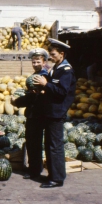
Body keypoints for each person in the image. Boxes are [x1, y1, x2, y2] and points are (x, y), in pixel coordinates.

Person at [33, 38, 76, 188]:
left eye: (53, 54)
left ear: (61, 54)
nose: (50, 57)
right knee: (50, 144)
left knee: (55, 146)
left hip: (56, 113)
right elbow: (53, 90)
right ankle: (53, 175)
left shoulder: (65, 70)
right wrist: (43, 90)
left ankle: (57, 179)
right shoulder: (57, 68)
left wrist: (46, 84)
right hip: (51, 112)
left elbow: (62, 92)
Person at [11, 48, 48, 180]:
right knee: (33, 142)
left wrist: (17, 102)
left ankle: (34, 171)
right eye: (33, 62)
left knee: (34, 143)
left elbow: (33, 98)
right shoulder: (36, 75)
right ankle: (35, 168)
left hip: (38, 114)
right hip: (34, 114)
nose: (35, 64)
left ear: (44, 62)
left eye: (38, 61)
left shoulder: (42, 77)